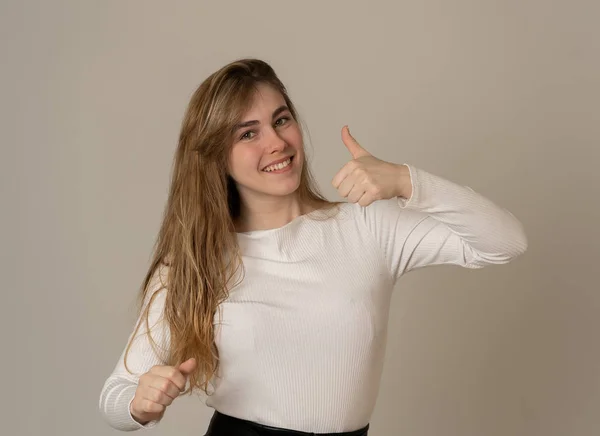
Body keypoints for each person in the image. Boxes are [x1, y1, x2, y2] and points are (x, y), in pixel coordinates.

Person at [98, 58, 528, 436]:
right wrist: (140, 402)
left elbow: (505, 242)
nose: (276, 143)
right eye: (248, 134)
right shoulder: (194, 263)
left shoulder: (366, 225)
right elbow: (115, 397)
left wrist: (405, 180)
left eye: (281, 120)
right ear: (216, 156)